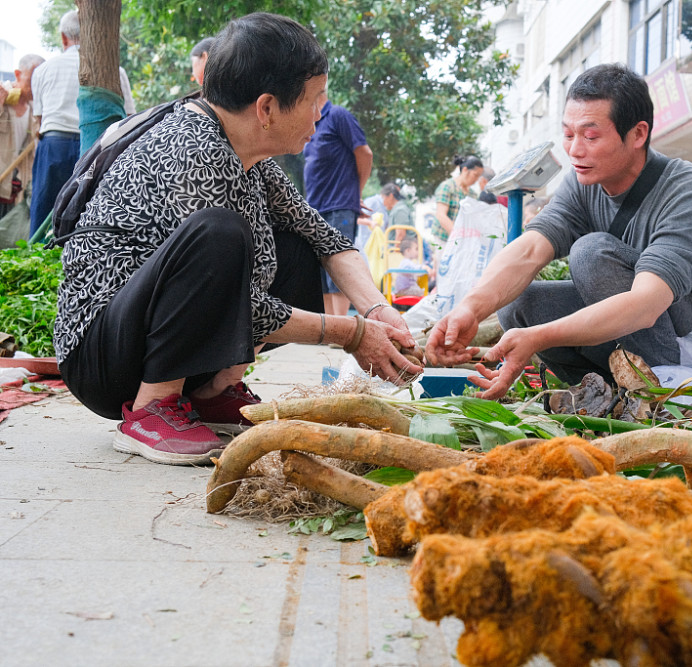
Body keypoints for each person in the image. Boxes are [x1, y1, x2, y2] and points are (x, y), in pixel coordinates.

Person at [54, 12, 421, 466]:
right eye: (314, 100)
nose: (320, 114)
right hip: (104, 358)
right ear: (266, 108)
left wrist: (378, 312)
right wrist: (352, 334)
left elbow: (326, 238)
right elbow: (244, 304)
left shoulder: (253, 156)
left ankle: (214, 391)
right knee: (220, 234)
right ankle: (151, 409)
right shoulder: (190, 149)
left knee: (299, 246)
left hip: (159, 342)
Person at [425, 63, 692, 399]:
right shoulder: (584, 183)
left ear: (638, 134)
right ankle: (608, 395)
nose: (574, 150)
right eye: (569, 135)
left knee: (590, 252)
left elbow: (645, 305)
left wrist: (539, 338)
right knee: (519, 304)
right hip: (647, 335)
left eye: (591, 136)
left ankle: (667, 395)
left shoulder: (689, 191)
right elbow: (529, 251)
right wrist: (470, 308)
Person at [29, 9, 137, 236]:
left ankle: (40, 255)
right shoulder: (116, 71)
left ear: (63, 37)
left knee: (45, 209)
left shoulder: (43, 70)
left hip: (54, 147)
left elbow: (39, 119)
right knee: (89, 212)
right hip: (98, 150)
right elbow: (128, 117)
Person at [303, 101, 373, 316]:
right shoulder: (311, 121)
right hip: (316, 206)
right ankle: (330, 326)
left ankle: (341, 322)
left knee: (338, 263)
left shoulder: (337, 115)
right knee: (320, 269)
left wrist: (356, 193)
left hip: (339, 203)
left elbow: (365, 153)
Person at [0, 54, 44, 220]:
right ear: (17, 74)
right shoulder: (2, 96)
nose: (35, 86)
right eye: (31, 79)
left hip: (15, 189)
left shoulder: (36, 112)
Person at [430, 154, 483, 244]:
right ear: (465, 170)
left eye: (479, 176)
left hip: (462, 240)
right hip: (443, 239)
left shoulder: (473, 195)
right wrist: (457, 236)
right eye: (475, 175)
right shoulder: (447, 187)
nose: (477, 179)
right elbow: (441, 215)